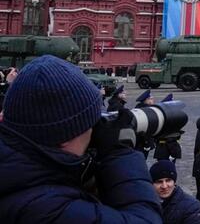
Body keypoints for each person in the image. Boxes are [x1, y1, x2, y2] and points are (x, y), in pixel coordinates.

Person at [0, 55, 162, 223]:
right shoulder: (48, 207)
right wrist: (119, 154)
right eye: (92, 122)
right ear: (66, 135)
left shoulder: (18, 174)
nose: (95, 129)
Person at [150, 160, 200, 224]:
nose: (164, 186)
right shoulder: (145, 203)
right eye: (159, 182)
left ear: (174, 182)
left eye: (168, 180)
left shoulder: (192, 207)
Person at [154, 94, 183, 163]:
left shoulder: (162, 118)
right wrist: (173, 152)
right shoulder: (171, 119)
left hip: (160, 148)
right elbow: (171, 138)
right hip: (168, 148)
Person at [135, 89, 156, 159]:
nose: (153, 100)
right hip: (143, 141)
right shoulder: (146, 111)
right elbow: (145, 127)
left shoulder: (139, 108)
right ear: (146, 100)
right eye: (151, 99)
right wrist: (147, 142)